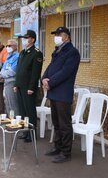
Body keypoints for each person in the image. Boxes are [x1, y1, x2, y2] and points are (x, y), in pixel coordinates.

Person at [42, 27, 80, 163]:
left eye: (59, 34)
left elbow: (66, 72)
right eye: (55, 34)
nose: (56, 36)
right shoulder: (58, 51)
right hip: (53, 92)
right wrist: (44, 78)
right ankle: (57, 147)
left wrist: (50, 82)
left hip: (63, 93)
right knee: (56, 122)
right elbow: (50, 67)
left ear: (67, 37)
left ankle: (66, 152)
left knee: (64, 124)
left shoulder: (72, 52)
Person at [14, 30, 43, 142]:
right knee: (22, 110)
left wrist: (31, 87)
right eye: (24, 38)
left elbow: (36, 73)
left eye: (27, 38)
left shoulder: (36, 53)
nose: (25, 40)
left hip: (28, 88)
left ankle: (31, 133)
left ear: (32, 39)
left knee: (30, 110)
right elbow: (19, 70)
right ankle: (25, 131)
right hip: (20, 86)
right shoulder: (22, 53)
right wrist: (16, 84)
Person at [0, 39, 20, 116]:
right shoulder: (9, 56)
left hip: (12, 82)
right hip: (6, 82)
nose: (7, 47)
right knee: (7, 103)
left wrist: (2, 75)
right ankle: (10, 121)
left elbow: (13, 71)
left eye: (9, 45)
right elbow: (3, 68)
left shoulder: (17, 56)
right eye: (7, 45)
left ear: (15, 47)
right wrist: (0, 74)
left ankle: (15, 122)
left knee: (13, 104)